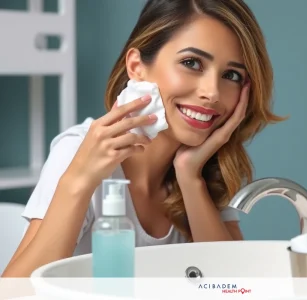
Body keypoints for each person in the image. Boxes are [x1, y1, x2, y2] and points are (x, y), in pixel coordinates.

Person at [1, 0, 286, 277]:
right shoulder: (77, 152)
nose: (212, 92)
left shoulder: (208, 169)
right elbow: (13, 294)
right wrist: (80, 179)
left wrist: (190, 178)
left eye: (231, 75)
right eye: (192, 63)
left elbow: (235, 286)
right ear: (137, 66)